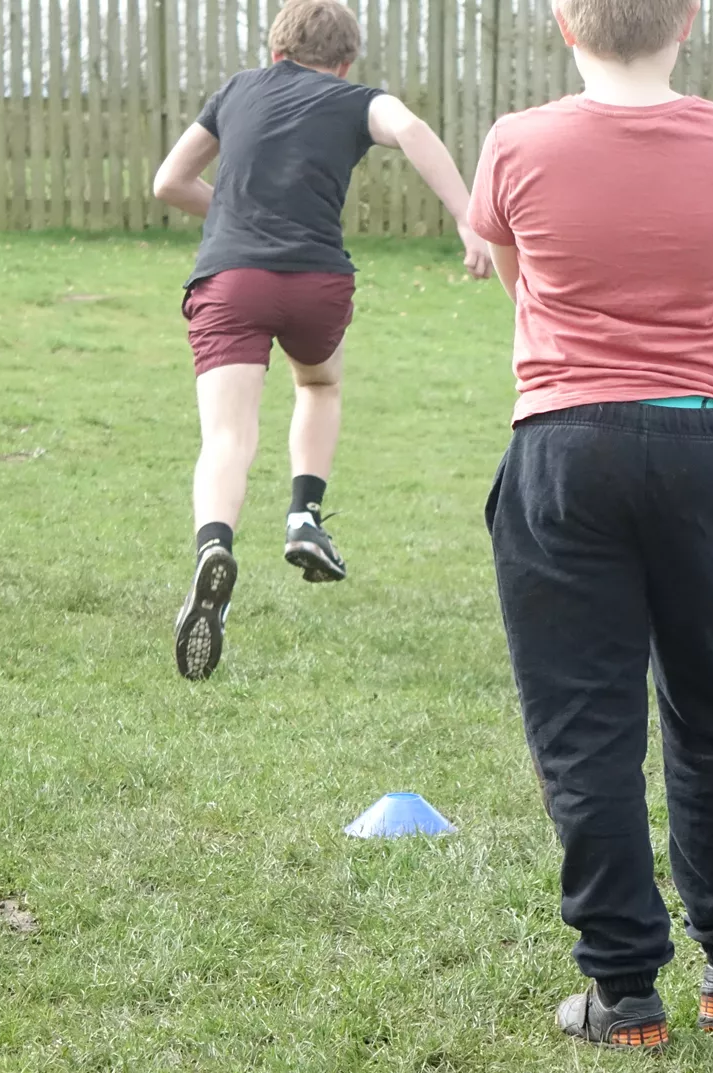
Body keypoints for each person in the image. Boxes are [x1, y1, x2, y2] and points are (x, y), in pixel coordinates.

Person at [467, 0, 713, 1049]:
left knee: (586, 727)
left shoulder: (515, 143)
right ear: (691, 20)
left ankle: (622, 993)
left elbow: (523, 291)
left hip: (563, 451)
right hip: (706, 447)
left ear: (565, 25)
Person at [151, 0, 491, 681]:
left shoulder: (238, 90)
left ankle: (213, 552)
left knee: (226, 438)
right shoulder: (356, 100)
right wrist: (466, 215)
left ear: (275, 51)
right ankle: (304, 513)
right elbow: (413, 128)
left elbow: (167, 182)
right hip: (316, 282)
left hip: (231, 280)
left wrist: (237, 208)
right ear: (344, 64)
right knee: (319, 382)